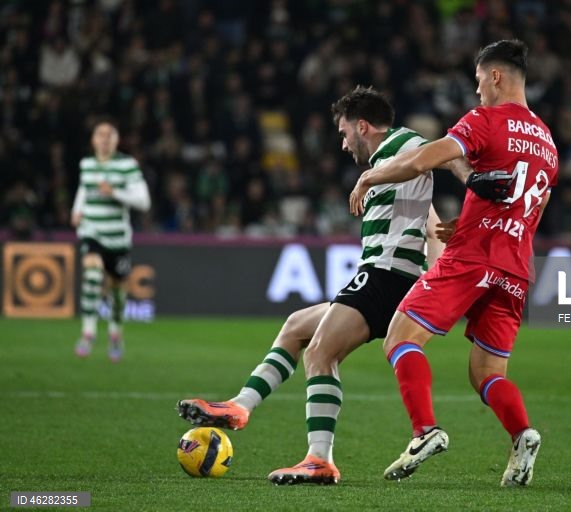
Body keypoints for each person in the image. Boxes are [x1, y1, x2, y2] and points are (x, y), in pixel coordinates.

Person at [177, 86, 500, 485]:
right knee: (297, 326)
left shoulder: (402, 143)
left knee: (320, 354)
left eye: (345, 132)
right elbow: (432, 225)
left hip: (386, 276)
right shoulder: (401, 168)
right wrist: (434, 277)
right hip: (393, 279)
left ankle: (318, 459)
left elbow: (443, 153)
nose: (344, 143)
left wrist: (470, 180)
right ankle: (241, 406)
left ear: (362, 125)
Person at [348, 39, 558, 487]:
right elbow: (531, 206)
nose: (478, 89)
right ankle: (523, 435)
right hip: (516, 266)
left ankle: (425, 431)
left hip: (472, 258)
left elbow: (428, 158)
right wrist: (471, 220)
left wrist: (372, 174)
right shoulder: (547, 142)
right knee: (486, 372)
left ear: (496, 77)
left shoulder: (485, 119)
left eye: (480, 80)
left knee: (401, 336)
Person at [72, 119, 151, 362]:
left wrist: (114, 192)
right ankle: (88, 332)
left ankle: (115, 334)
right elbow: (85, 189)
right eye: (100, 134)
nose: (104, 139)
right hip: (92, 230)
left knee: (118, 293)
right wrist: (77, 209)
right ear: (93, 139)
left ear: (116, 140)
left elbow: (143, 201)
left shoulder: (127, 165)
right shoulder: (86, 164)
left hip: (117, 238)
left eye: (109, 135)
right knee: (93, 273)